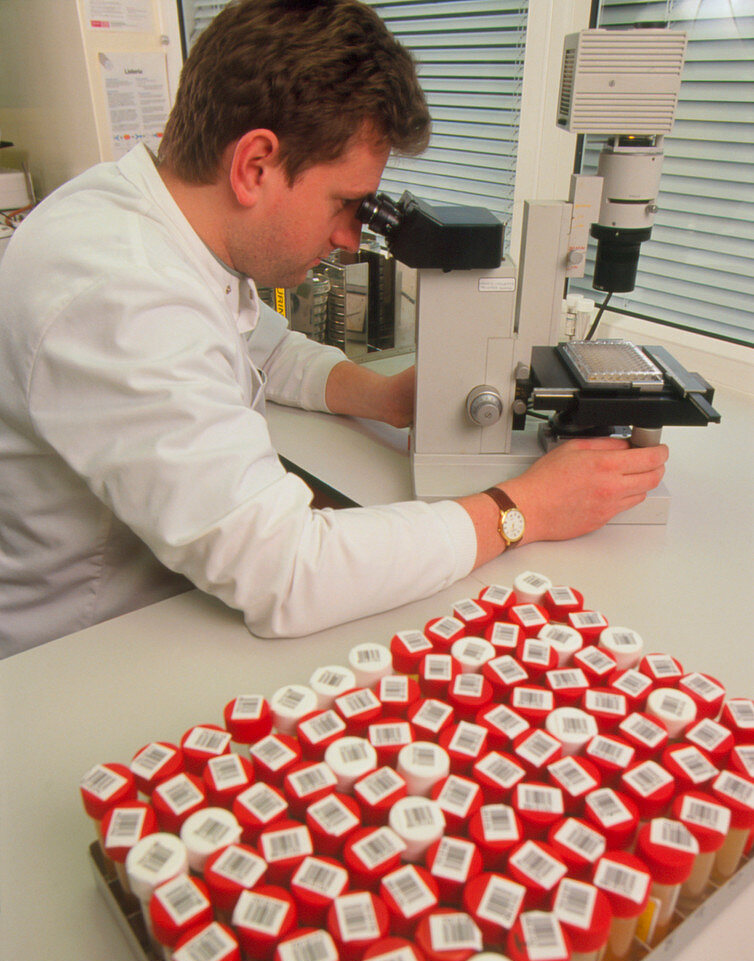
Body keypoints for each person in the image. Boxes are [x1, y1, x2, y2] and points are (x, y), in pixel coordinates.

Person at [0, 0, 667, 660]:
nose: (350, 238)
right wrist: (520, 510)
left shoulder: (153, 209)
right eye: (345, 203)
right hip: (79, 651)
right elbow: (285, 571)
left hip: (163, 591)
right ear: (254, 164)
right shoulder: (121, 293)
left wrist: (383, 397)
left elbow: (267, 348)